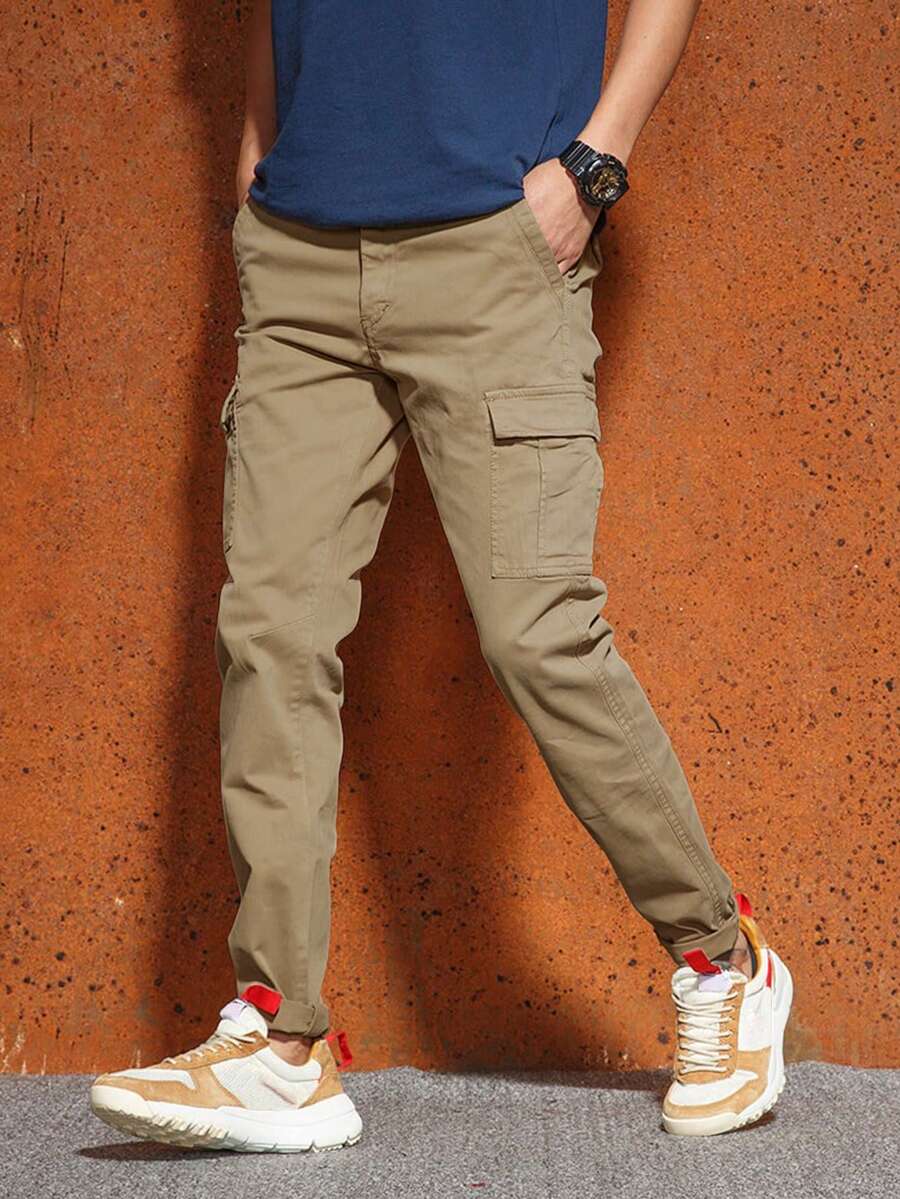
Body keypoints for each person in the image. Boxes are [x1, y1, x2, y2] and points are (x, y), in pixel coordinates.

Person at [90, 0, 793, 1150]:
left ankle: (726, 958)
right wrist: (256, 171)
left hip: (497, 249)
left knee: (538, 632)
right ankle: (279, 1042)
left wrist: (595, 163)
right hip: (302, 258)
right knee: (269, 632)